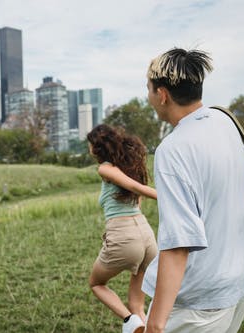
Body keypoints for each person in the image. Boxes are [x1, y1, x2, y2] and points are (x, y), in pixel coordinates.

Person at [142, 48, 244, 333]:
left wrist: (155, 324)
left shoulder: (173, 149)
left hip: (200, 302)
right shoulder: (226, 123)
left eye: (149, 89)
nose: (148, 98)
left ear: (163, 94)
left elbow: (179, 243)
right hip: (240, 282)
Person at [87, 124, 158, 333]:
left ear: (97, 147)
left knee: (96, 283)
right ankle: (139, 323)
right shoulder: (128, 168)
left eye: (90, 145)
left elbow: (136, 189)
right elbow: (136, 192)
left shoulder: (105, 168)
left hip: (124, 236)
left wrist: (167, 196)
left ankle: (130, 321)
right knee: (138, 305)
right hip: (146, 236)